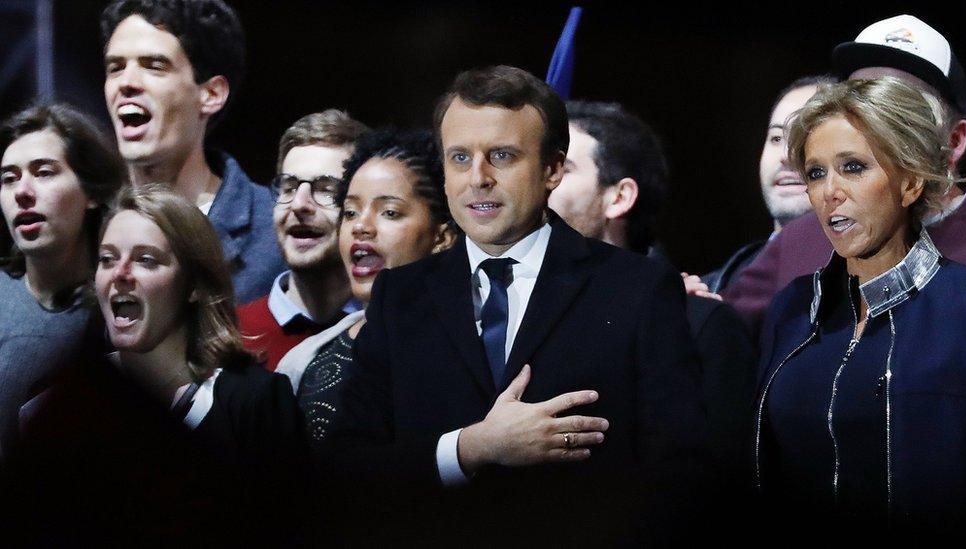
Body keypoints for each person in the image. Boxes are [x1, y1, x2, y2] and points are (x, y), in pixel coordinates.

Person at [322, 66, 704, 544]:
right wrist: (469, 448)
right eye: (459, 158)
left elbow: (679, 472)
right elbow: (347, 469)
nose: (477, 178)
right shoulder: (400, 297)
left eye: (501, 156)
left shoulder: (638, 289)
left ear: (552, 169)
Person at [10, 185, 305, 544]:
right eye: (106, 259)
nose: (120, 273)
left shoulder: (254, 402)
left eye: (146, 259)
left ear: (194, 285)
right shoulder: (56, 408)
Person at [755, 77, 966, 534]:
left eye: (853, 167)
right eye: (816, 173)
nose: (829, 191)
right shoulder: (791, 310)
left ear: (911, 180)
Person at [547, 100, 755, 492]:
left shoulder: (699, 326)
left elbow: (716, 490)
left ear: (619, 197)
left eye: (562, 168)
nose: (538, 183)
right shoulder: (503, 316)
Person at [722, 15, 966, 334]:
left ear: (954, 141)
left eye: (897, 109)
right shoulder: (799, 241)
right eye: (859, 103)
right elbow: (718, 337)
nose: (870, 123)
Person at [277, 128, 457, 455]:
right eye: (350, 212)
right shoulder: (305, 361)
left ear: (442, 237)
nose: (361, 226)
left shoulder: (478, 345)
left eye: (389, 212)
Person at [101, 0, 286, 303]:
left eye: (154, 66)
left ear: (211, 94)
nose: (127, 83)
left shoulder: (276, 232)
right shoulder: (87, 230)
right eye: (116, 67)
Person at [0, 104, 125, 462]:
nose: (22, 191)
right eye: (8, 178)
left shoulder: (122, 311)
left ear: (92, 192)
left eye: (43, 172)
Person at [238, 109, 369, 371]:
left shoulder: (387, 333)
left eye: (326, 189)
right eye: (288, 187)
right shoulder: (230, 337)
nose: (299, 205)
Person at [694, 76, 834, 294]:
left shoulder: (861, 277)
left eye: (806, 138)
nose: (786, 156)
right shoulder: (717, 284)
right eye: (776, 138)